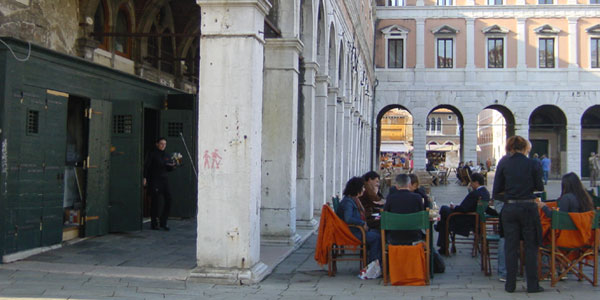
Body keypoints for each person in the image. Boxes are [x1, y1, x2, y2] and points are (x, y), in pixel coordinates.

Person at [492, 135, 544, 293]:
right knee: (531, 246)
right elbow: (539, 187)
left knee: (510, 246)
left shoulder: (503, 162)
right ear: (525, 148)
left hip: (510, 208)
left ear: (510, 148)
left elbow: (496, 192)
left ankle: (510, 284)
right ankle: (533, 285)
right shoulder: (533, 163)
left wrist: (509, 196)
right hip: (528, 207)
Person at [436, 173, 489, 254]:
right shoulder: (486, 192)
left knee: (443, 210)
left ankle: (441, 239)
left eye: (471, 182)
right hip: (473, 218)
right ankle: (441, 237)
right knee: (444, 220)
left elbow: (464, 208)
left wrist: (453, 207)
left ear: (476, 183)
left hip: (465, 219)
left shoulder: (475, 193)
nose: (470, 184)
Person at [337, 177, 382, 266]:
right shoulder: (348, 202)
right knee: (378, 238)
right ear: (357, 189)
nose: (364, 190)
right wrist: (362, 223)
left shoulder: (353, 200)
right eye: (363, 188)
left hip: (356, 230)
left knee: (377, 232)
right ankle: (372, 264)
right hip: (353, 232)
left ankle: (374, 261)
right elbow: (348, 218)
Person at [144, 137, 176, 231]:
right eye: (161, 144)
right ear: (157, 144)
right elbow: (147, 166)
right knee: (155, 202)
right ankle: (154, 223)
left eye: (164, 144)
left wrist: (172, 166)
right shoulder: (152, 154)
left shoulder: (167, 154)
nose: (163, 146)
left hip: (164, 180)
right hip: (155, 179)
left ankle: (163, 221)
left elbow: (168, 167)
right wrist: (144, 177)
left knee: (169, 199)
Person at [383, 174, 424, 245]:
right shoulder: (418, 197)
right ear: (409, 184)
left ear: (396, 185)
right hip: (414, 236)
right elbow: (421, 216)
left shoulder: (391, 198)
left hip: (394, 236)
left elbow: (385, 216)